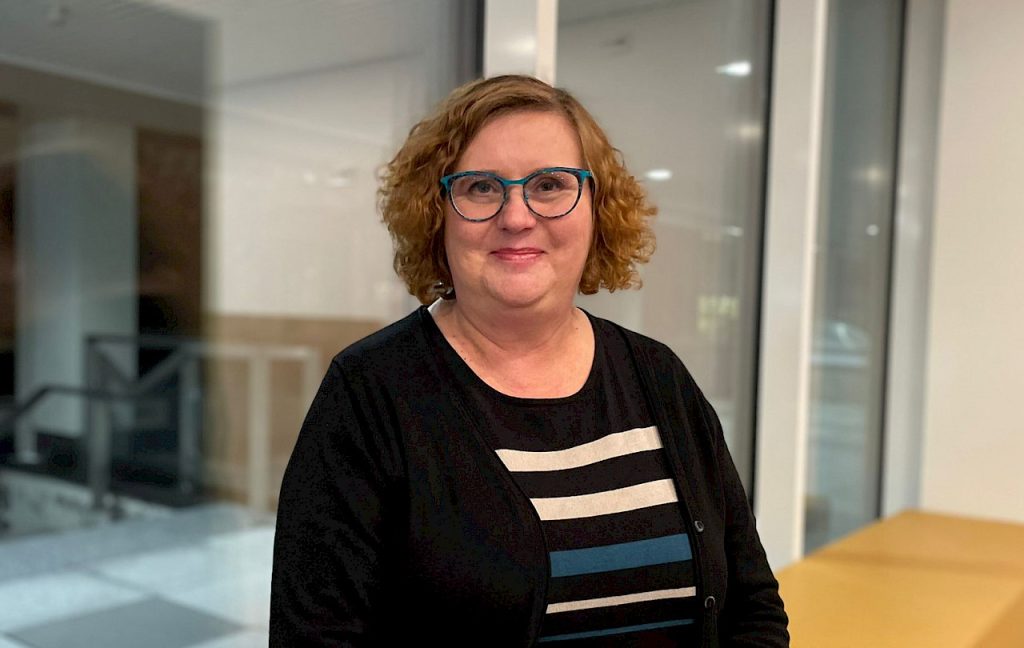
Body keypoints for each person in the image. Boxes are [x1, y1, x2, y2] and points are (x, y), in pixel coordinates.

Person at [270, 74, 788, 647]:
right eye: (481, 187)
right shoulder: (368, 394)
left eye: (549, 184)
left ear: (597, 207)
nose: (516, 216)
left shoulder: (659, 375)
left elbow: (752, 607)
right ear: (436, 214)